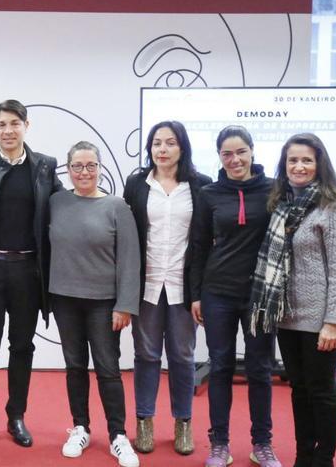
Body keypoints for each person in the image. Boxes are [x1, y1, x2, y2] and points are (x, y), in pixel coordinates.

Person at [249, 133, 336, 467]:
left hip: (320, 318)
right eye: (293, 160)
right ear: (284, 165)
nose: (299, 166)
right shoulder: (281, 205)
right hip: (287, 317)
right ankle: (303, 456)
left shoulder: (333, 206)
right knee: (299, 390)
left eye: (306, 160)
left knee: (322, 392)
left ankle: (323, 459)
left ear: (319, 164)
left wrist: (333, 322)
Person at [0, 99, 63, 448]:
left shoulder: (45, 167)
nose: (8, 131)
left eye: (14, 124)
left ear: (26, 126)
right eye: (1, 125)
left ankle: (16, 416)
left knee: (22, 346)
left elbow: (63, 211)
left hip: (28, 271)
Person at [190, 125, 281, 467]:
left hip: (260, 295)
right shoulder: (209, 194)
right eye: (227, 153)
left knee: (260, 369)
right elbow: (198, 247)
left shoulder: (274, 190)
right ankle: (220, 444)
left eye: (240, 151)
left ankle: (262, 444)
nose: (235, 159)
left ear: (252, 151)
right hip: (218, 294)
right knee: (221, 366)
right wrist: (196, 294)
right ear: (219, 157)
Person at [50, 141, 141, 467]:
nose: (84, 172)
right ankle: (80, 428)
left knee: (108, 369)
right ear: (68, 169)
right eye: (77, 166)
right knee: (74, 367)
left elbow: (130, 260)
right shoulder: (56, 202)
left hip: (104, 304)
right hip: (64, 299)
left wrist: (125, 305)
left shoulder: (117, 207)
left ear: (100, 168)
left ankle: (118, 435)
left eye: (91, 166)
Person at [122, 121, 211, 456]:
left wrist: (200, 291)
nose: (162, 149)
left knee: (183, 356)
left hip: (182, 286)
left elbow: (204, 243)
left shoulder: (201, 186)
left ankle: (183, 422)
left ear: (182, 147)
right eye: (156, 143)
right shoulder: (136, 184)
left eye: (170, 143)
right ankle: (144, 421)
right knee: (145, 355)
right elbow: (128, 239)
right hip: (146, 285)